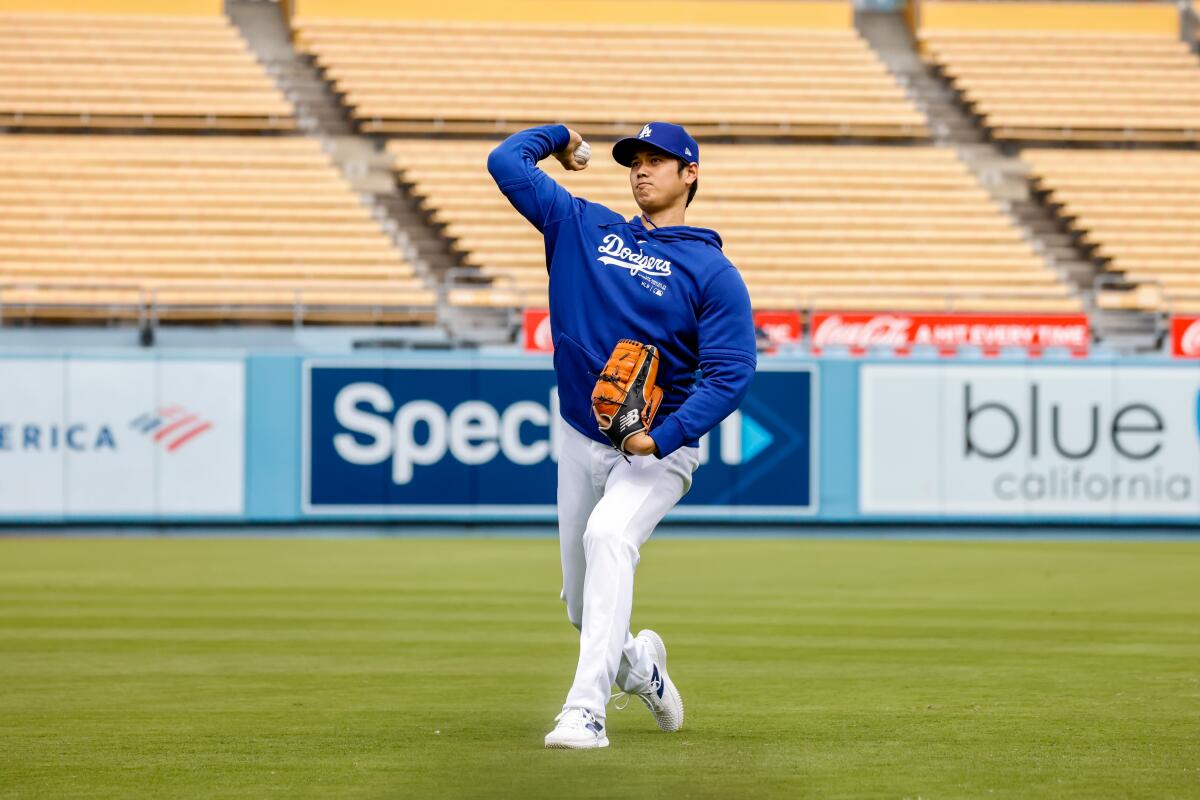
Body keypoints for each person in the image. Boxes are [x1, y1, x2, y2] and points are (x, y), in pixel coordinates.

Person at [487, 122, 757, 749]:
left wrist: (661, 439)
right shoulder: (584, 227)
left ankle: (585, 712)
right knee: (584, 609)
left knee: (609, 536)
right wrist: (560, 138)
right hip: (581, 434)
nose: (642, 169)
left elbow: (731, 373)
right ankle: (641, 666)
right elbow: (506, 161)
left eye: (659, 160)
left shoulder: (712, 273)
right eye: (635, 159)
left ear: (690, 174)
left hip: (655, 451)